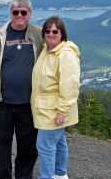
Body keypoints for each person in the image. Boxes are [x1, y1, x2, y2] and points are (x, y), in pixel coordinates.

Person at [0, 0, 44, 179]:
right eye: (16, 12)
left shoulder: (38, 35)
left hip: (29, 105)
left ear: (30, 14)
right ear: (10, 13)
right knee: (3, 147)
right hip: (2, 104)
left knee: (28, 148)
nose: (20, 15)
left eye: (24, 12)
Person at [31, 16, 80, 179]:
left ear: (62, 33)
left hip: (54, 111)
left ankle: (46, 177)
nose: (50, 34)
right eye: (47, 30)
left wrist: (62, 111)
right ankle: (60, 174)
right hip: (47, 108)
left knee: (45, 146)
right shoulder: (47, 51)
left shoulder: (65, 55)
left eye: (55, 31)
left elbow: (69, 86)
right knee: (58, 143)